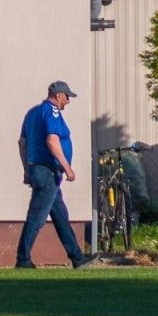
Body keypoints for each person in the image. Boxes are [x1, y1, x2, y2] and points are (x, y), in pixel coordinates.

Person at [15, 81, 97, 270]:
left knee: (60, 216)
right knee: (36, 217)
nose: (68, 101)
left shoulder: (32, 113)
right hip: (48, 171)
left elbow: (22, 142)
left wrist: (27, 169)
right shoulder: (52, 111)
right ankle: (23, 259)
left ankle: (77, 257)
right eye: (67, 96)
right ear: (58, 95)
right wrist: (67, 167)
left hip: (37, 169)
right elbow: (52, 141)